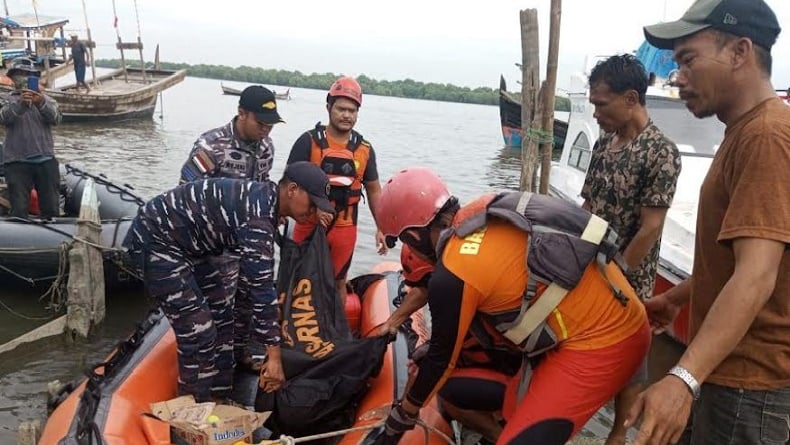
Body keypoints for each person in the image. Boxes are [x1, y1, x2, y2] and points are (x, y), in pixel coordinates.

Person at [376, 167, 650, 444]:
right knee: (475, 399)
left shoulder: (453, 273)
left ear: (412, 236)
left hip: (600, 344)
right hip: (615, 320)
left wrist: (401, 417)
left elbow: (440, 361)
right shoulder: (484, 215)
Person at [625, 1, 790, 445]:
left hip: (751, 387)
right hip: (728, 376)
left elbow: (756, 276)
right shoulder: (745, 132)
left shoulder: (766, 137)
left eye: (688, 59)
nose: (677, 76)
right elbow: (738, 260)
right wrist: (677, 298)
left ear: (740, 52)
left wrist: (683, 378)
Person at [123, 161, 334, 403]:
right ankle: (191, 412)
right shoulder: (258, 219)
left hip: (193, 248)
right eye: (313, 203)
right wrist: (274, 358)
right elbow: (262, 289)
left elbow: (256, 283)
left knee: (223, 319)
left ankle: (219, 396)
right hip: (157, 240)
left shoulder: (267, 202)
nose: (313, 212)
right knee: (199, 331)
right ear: (292, 190)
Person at [581, 54, 681, 445]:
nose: (596, 113)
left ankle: (618, 436)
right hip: (589, 264)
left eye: (601, 104)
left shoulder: (661, 152)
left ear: (630, 98)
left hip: (628, 279)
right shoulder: (605, 143)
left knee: (631, 359)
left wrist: (616, 272)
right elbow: (587, 205)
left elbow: (651, 225)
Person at [179, 85, 284, 372]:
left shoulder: (266, 149)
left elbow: (262, 188)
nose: (266, 130)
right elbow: (186, 194)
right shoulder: (212, 145)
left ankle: (242, 355)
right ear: (241, 114)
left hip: (249, 244)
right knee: (219, 308)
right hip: (217, 247)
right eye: (260, 123)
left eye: (270, 125)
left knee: (248, 301)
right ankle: (213, 368)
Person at [286, 76, 386, 306]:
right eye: (341, 109)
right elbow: (288, 183)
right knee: (299, 279)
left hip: (344, 228)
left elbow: (373, 190)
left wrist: (382, 226)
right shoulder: (308, 141)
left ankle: (336, 332)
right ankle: (291, 331)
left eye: (352, 110)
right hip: (308, 223)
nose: (346, 115)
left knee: (339, 282)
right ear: (329, 107)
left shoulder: (364, 149)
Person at [0, 58, 62, 220]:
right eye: (19, 74)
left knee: (50, 207)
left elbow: (56, 119)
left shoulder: (47, 100)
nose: (23, 78)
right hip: (16, 161)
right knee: (19, 209)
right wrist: (21, 104)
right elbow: (3, 118)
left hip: (45, 160)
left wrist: (40, 102)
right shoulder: (5, 99)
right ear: (12, 78)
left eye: (28, 75)